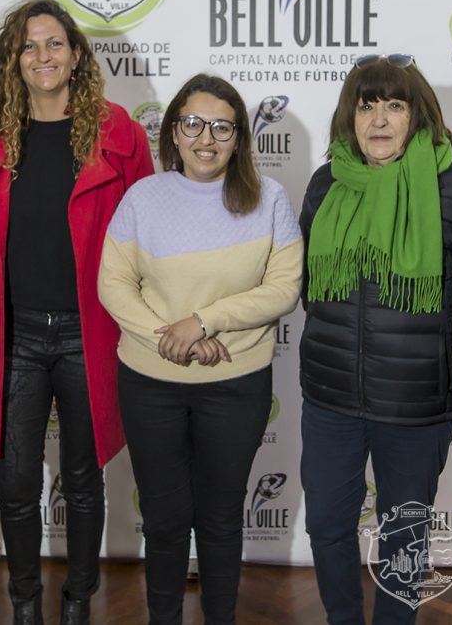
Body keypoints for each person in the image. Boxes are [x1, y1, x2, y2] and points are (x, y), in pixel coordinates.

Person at [0, 0, 153, 625]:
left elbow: (145, 227)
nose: (41, 56)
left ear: (76, 55)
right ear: (12, 61)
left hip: (88, 332)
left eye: (53, 44)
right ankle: (25, 604)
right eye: (27, 46)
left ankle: (77, 602)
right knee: (15, 483)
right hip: (16, 334)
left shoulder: (117, 131)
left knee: (82, 479)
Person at [98, 73, 302, 625]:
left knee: (219, 518)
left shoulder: (270, 199)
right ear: (173, 132)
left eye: (221, 126)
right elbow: (113, 284)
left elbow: (283, 288)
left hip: (235, 385)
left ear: (239, 137)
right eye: (192, 123)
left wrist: (204, 324)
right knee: (164, 519)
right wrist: (176, 340)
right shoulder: (144, 197)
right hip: (150, 384)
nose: (205, 138)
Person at [299, 53, 452, 624]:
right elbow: (308, 283)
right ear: (348, 118)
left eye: (395, 105)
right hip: (331, 397)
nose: (379, 119)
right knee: (327, 522)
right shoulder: (327, 181)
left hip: (416, 401)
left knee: (405, 535)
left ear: (419, 115)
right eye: (366, 105)